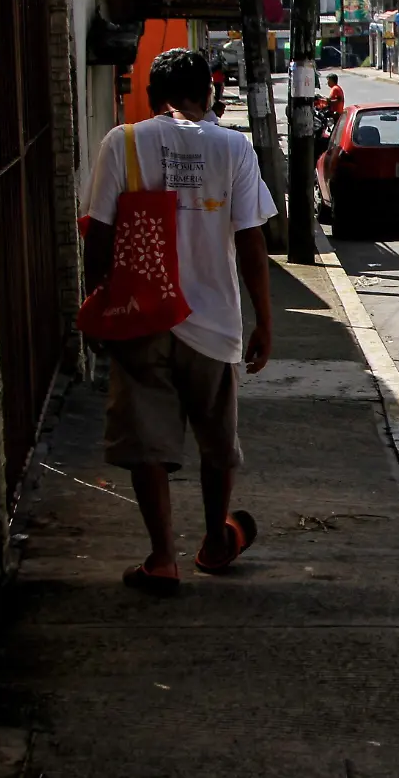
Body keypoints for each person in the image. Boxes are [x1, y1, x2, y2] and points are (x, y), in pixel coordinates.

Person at [83, 48, 278, 597]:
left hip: (142, 315)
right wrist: (263, 321)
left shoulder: (122, 143)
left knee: (148, 440)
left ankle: (162, 557)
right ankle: (216, 541)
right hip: (214, 322)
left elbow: (98, 233)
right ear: (209, 95)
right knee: (217, 441)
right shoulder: (233, 147)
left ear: (151, 97)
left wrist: (95, 306)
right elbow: (250, 239)